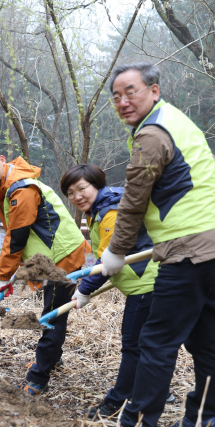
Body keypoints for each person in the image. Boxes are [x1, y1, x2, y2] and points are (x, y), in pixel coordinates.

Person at [101, 63, 215, 427]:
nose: (123, 101)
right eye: (116, 96)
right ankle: (204, 417)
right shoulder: (176, 120)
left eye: (130, 91)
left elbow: (134, 198)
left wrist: (116, 251)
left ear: (154, 90)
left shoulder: (152, 133)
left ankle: (137, 420)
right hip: (210, 247)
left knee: (156, 343)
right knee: (207, 342)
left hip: (188, 252)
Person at [0, 143, 87, 395]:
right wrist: (15, 273)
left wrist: (4, 276)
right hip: (53, 256)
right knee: (54, 311)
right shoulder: (10, 186)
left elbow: (17, 235)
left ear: (1, 159)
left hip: (62, 257)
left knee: (52, 316)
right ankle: (53, 359)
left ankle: (38, 377)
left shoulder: (21, 189)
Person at [60, 164, 173, 419]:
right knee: (147, 344)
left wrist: (85, 290)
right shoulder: (100, 207)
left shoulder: (110, 211)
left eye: (81, 189)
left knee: (132, 346)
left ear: (96, 185)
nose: (77, 196)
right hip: (149, 282)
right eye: (70, 193)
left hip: (146, 284)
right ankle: (158, 390)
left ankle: (116, 402)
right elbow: (102, 254)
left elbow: (108, 260)